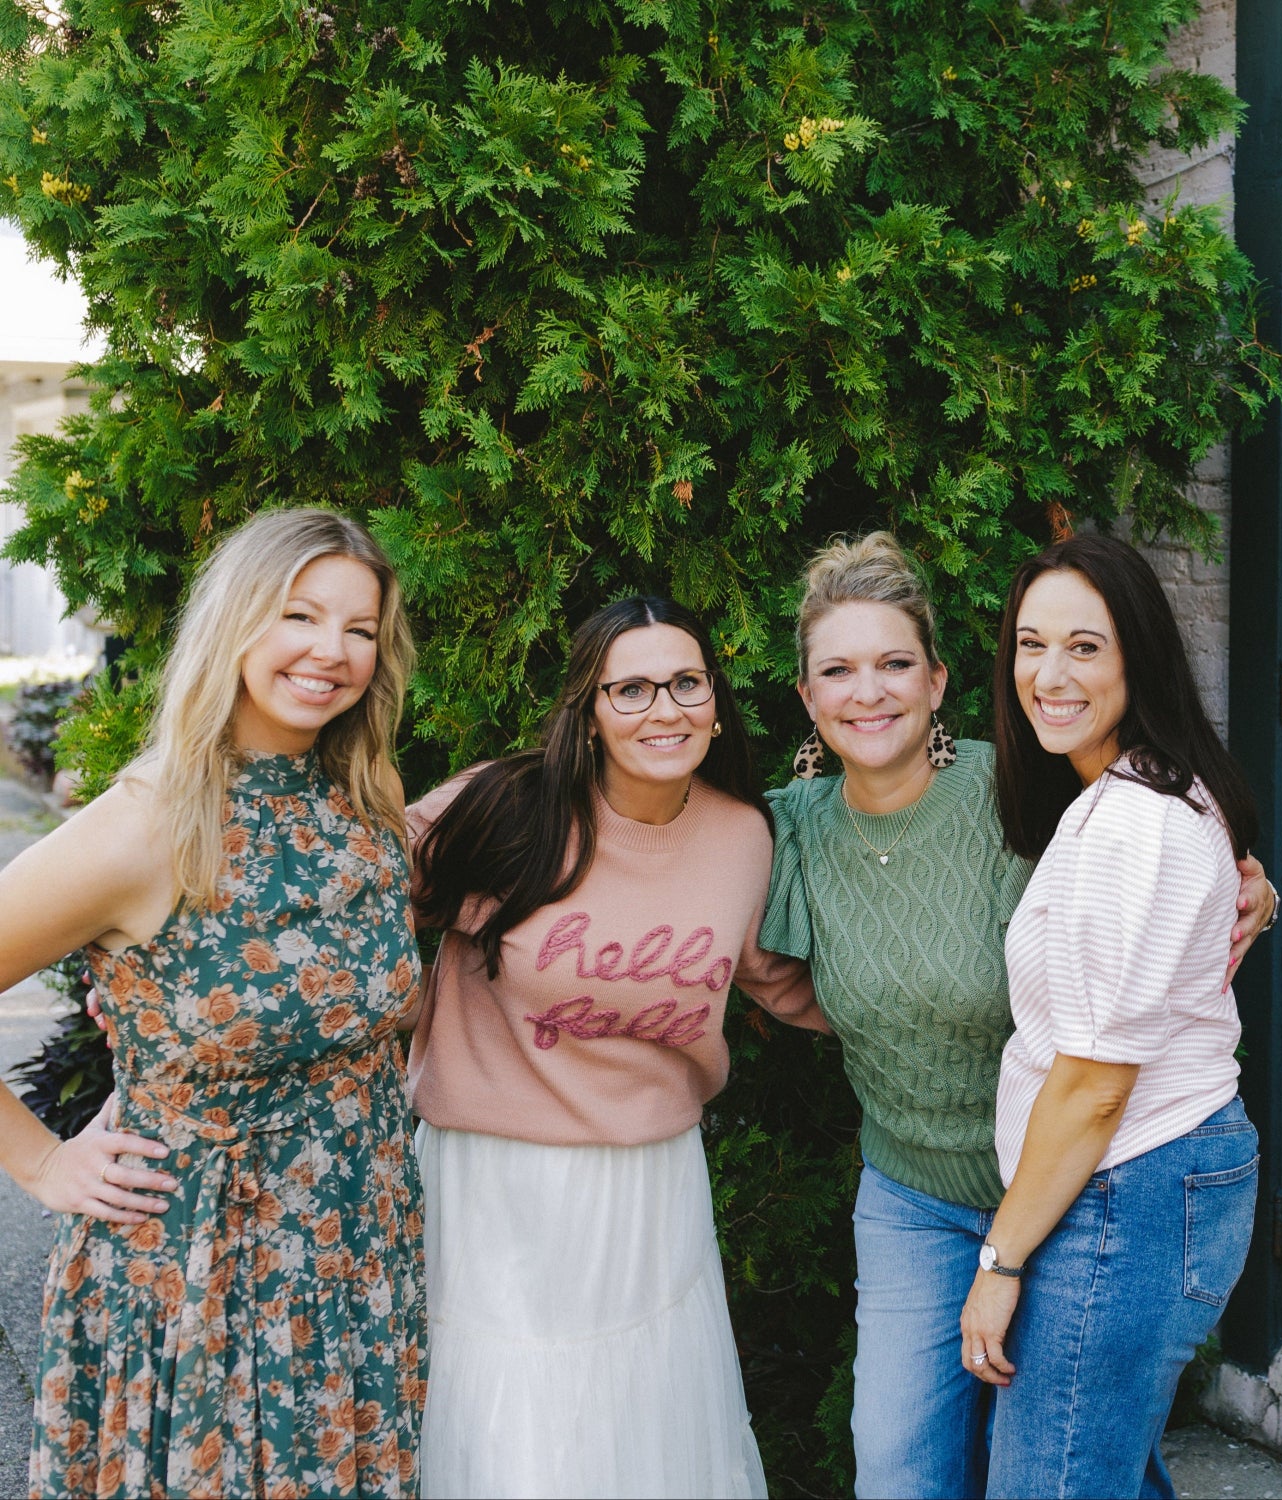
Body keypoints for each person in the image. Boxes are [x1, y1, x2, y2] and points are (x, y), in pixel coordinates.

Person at [758, 532, 1274, 1499]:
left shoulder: (1038, 789)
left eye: (895, 663)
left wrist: (1248, 889)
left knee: (1061, 1464)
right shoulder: (795, 824)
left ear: (941, 679)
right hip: (926, 1188)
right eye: (839, 669)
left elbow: (1106, 1042)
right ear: (807, 696)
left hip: (1079, 1184)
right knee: (975, 1465)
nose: (868, 692)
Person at [2, 508, 425, 1500]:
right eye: (300, 615)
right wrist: (42, 1160)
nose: (333, 651)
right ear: (236, 621)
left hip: (359, 1269)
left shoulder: (361, 805)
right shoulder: (148, 825)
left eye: (360, 630)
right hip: (197, 1283)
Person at [404, 596, 826, 1500]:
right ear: (588, 713)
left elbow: (784, 982)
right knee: (512, 1433)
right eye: (629, 689)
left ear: (716, 702)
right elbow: (345, 893)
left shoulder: (741, 835)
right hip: (495, 1187)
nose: (663, 709)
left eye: (684, 683)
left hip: (648, 1186)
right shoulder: (499, 809)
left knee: (643, 1434)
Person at [962, 532, 1263, 1499]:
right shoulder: (1132, 793)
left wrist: (999, 1261)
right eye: (1030, 643)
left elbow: (1094, 1086)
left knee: (1050, 1485)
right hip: (1132, 1187)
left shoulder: (1135, 820)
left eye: (1085, 647)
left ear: (1140, 653)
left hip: (1126, 1191)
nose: (1048, 675)